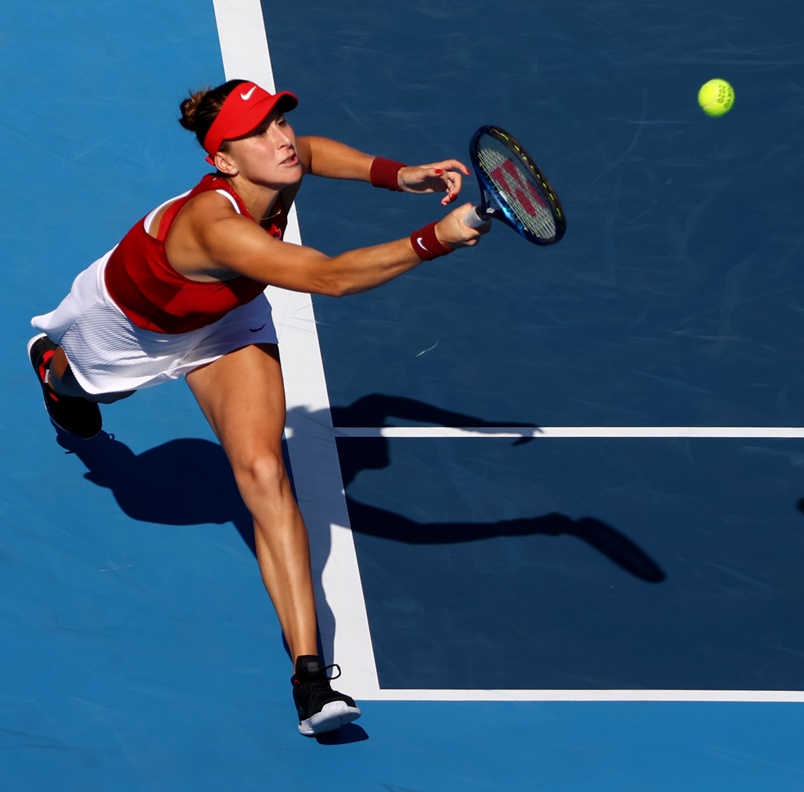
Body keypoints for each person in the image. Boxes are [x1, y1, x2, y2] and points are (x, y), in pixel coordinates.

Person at [26, 78, 490, 736]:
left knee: (264, 474)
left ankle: (310, 680)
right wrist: (433, 239)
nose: (282, 140)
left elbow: (318, 152)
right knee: (85, 390)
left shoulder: (280, 164)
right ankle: (51, 366)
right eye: (260, 133)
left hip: (224, 322)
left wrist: (397, 175)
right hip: (132, 325)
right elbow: (329, 278)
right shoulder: (217, 227)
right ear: (223, 162)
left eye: (280, 123)